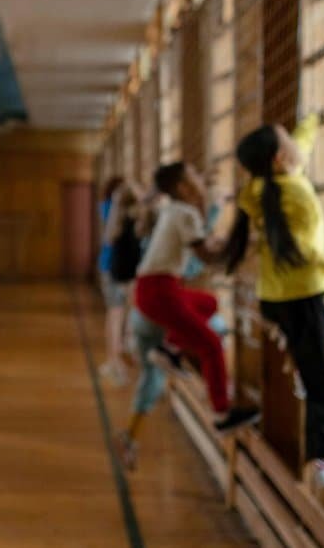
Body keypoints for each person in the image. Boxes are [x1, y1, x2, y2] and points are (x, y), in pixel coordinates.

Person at [223, 114, 324, 488]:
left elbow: (298, 150)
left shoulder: (256, 189)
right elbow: (309, 252)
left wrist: (312, 121)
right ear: (281, 158)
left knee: (313, 368)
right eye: (289, 142)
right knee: (321, 380)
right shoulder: (298, 193)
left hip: (275, 300)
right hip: (304, 297)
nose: (299, 146)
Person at [133, 162, 259, 433]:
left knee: (208, 303)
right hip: (160, 291)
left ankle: (169, 349)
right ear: (183, 187)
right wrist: (238, 244)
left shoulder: (176, 210)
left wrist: (226, 243)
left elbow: (200, 244)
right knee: (211, 344)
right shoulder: (186, 213)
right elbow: (205, 255)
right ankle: (222, 413)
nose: (200, 182)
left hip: (154, 289)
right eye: (194, 177)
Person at [117, 196, 229, 470]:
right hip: (156, 318)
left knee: (151, 375)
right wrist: (215, 217)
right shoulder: (176, 249)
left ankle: (131, 437)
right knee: (214, 331)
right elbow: (196, 256)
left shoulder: (153, 245)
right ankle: (218, 396)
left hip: (141, 316)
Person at [97, 177, 131, 383]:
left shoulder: (118, 208)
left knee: (117, 315)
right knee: (115, 315)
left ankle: (114, 361)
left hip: (119, 268)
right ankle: (113, 362)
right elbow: (109, 236)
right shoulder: (110, 207)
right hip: (111, 267)